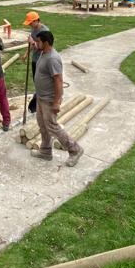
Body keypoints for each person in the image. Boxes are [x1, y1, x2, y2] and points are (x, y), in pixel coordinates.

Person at [30, 30, 83, 166]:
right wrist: (32, 44)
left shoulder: (53, 58)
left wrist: (56, 102)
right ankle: (45, 151)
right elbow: (37, 47)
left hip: (49, 99)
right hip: (41, 97)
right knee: (42, 125)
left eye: (39, 41)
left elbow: (58, 80)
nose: (37, 44)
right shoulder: (44, 52)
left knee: (53, 127)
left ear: (46, 43)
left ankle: (75, 149)